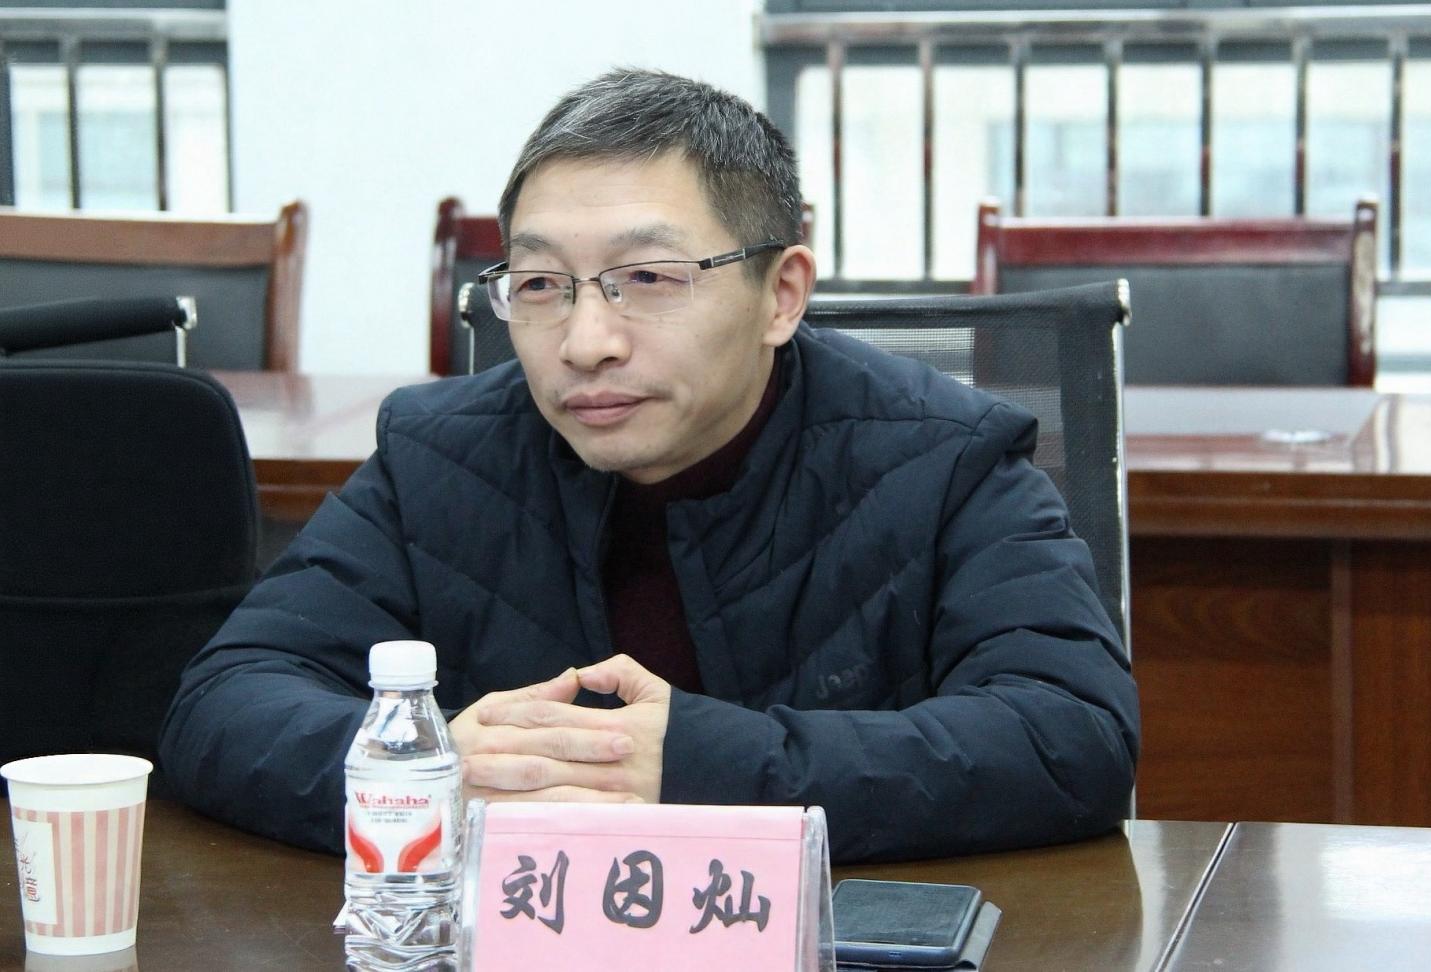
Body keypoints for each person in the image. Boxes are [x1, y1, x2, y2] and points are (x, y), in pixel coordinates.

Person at [160, 68, 1138, 863]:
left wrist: (700, 765)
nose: (586, 341)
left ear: (781, 293)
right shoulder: (438, 457)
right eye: (540, 284)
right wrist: (428, 764)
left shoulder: (945, 458)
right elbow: (222, 704)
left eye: (647, 279)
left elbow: (1069, 737)